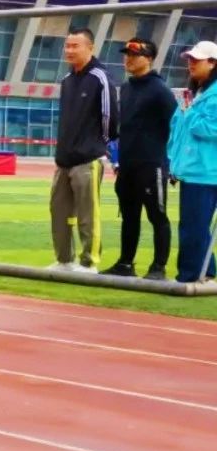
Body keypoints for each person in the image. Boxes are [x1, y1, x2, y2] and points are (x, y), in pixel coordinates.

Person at [102, 39, 176, 280]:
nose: (129, 59)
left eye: (135, 55)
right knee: (129, 216)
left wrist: (172, 161)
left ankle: (158, 267)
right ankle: (125, 264)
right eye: (127, 54)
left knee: (157, 216)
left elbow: (176, 126)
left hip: (152, 164)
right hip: (128, 165)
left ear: (149, 59)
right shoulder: (126, 88)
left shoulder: (160, 90)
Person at [49, 28, 118, 273]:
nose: (69, 50)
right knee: (59, 211)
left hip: (88, 158)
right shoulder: (67, 80)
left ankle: (89, 262)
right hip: (64, 159)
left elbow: (110, 117)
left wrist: (99, 146)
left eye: (75, 46)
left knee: (88, 213)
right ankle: (64, 260)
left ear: (90, 47)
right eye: (67, 46)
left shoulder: (100, 77)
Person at [167, 41, 217, 283]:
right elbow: (177, 132)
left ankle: (189, 275)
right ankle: (206, 271)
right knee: (196, 226)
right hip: (193, 170)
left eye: (196, 60)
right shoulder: (194, 93)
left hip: (207, 172)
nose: (191, 64)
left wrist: (189, 110)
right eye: (189, 59)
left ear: (213, 63)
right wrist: (173, 164)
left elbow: (208, 129)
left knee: (193, 227)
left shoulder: (209, 96)